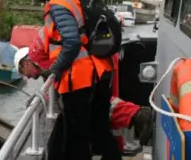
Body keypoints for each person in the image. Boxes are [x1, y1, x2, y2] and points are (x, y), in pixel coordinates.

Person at [25, 0, 132, 160]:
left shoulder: (58, 3)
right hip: (100, 73)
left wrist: (55, 69)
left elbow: (71, 42)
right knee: (100, 132)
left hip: (80, 80)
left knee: (77, 138)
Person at [14, 46, 154, 154]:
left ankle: (138, 114)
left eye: (24, 72)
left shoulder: (45, 60)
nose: (28, 77)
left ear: (26, 63)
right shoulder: (45, 60)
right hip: (90, 69)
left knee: (100, 105)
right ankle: (115, 147)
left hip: (84, 74)